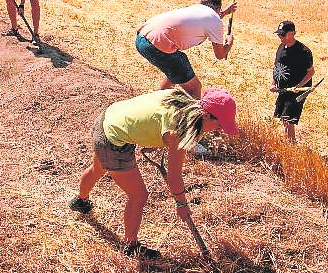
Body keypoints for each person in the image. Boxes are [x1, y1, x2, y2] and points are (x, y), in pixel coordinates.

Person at [70, 87, 239, 259]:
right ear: (206, 115)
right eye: (219, 125)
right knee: (138, 196)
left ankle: (80, 201)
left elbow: (152, 116)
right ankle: (131, 245)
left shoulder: (181, 99)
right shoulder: (179, 131)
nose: (220, 131)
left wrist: (148, 135)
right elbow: (174, 176)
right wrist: (182, 204)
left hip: (109, 119)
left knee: (98, 168)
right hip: (112, 138)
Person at [135, 0, 237, 99]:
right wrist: (229, 43)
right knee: (194, 88)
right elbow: (220, 55)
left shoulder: (197, 9)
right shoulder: (214, 20)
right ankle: (195, 115)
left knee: (176, 69)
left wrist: (225, 12)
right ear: (217, 9)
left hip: (142, 37)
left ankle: (157, 100)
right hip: (155, 45)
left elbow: (211, 18)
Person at [270, 20, 314, 143]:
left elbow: (310, 72)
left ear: (293, 33)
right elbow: (276, 67)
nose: (280, 37)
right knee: (283, 118)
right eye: (279, 34)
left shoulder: (303, 52)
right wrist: (273, 83)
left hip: (297, 91)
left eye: (283, 34)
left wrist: (298, 86)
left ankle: (290, 144)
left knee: (288, 118)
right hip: (283, 89)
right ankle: (289, 143)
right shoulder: (280, 47)